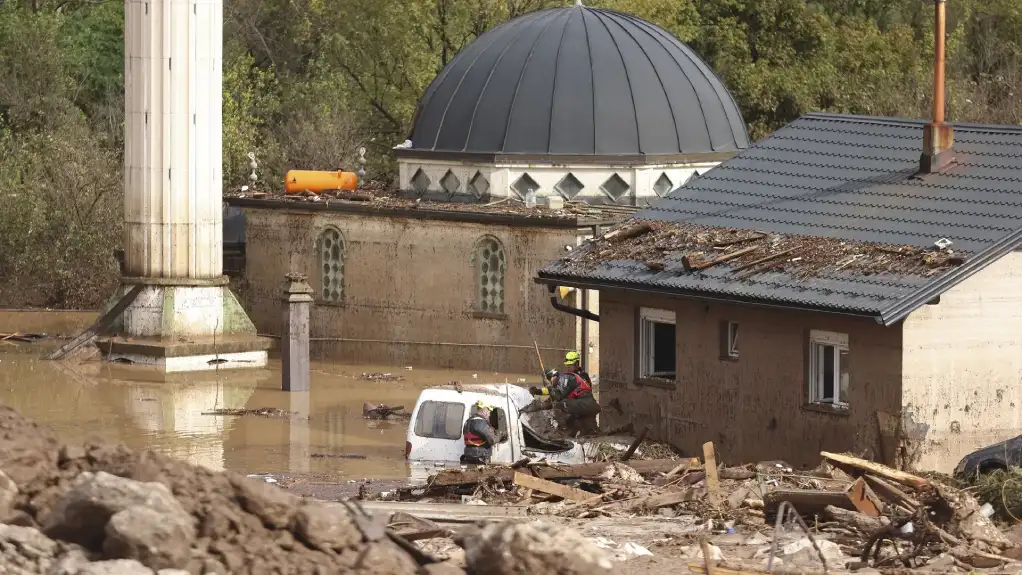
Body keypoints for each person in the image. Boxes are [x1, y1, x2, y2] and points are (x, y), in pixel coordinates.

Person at [528, 351, 601, 434]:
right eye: (567, 365)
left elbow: (558, 395)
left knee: (558, 404)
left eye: (570, 365)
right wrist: (538, 391)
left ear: (576, 364)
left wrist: (548, 389)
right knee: (589, 431)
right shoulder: (576, 376)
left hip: (582, 404)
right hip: (585, 404)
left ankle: (563, 431)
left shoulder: (573, 377)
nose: (568, 367)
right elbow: (556, 390)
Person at [461, 401, 506, 465]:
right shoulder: (481, 423)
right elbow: (492, 440)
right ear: (484, 411)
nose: (489, 414)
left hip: (470, 455)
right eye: (489, 412)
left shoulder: (468, 421)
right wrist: (501, 434)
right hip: (480, 457)